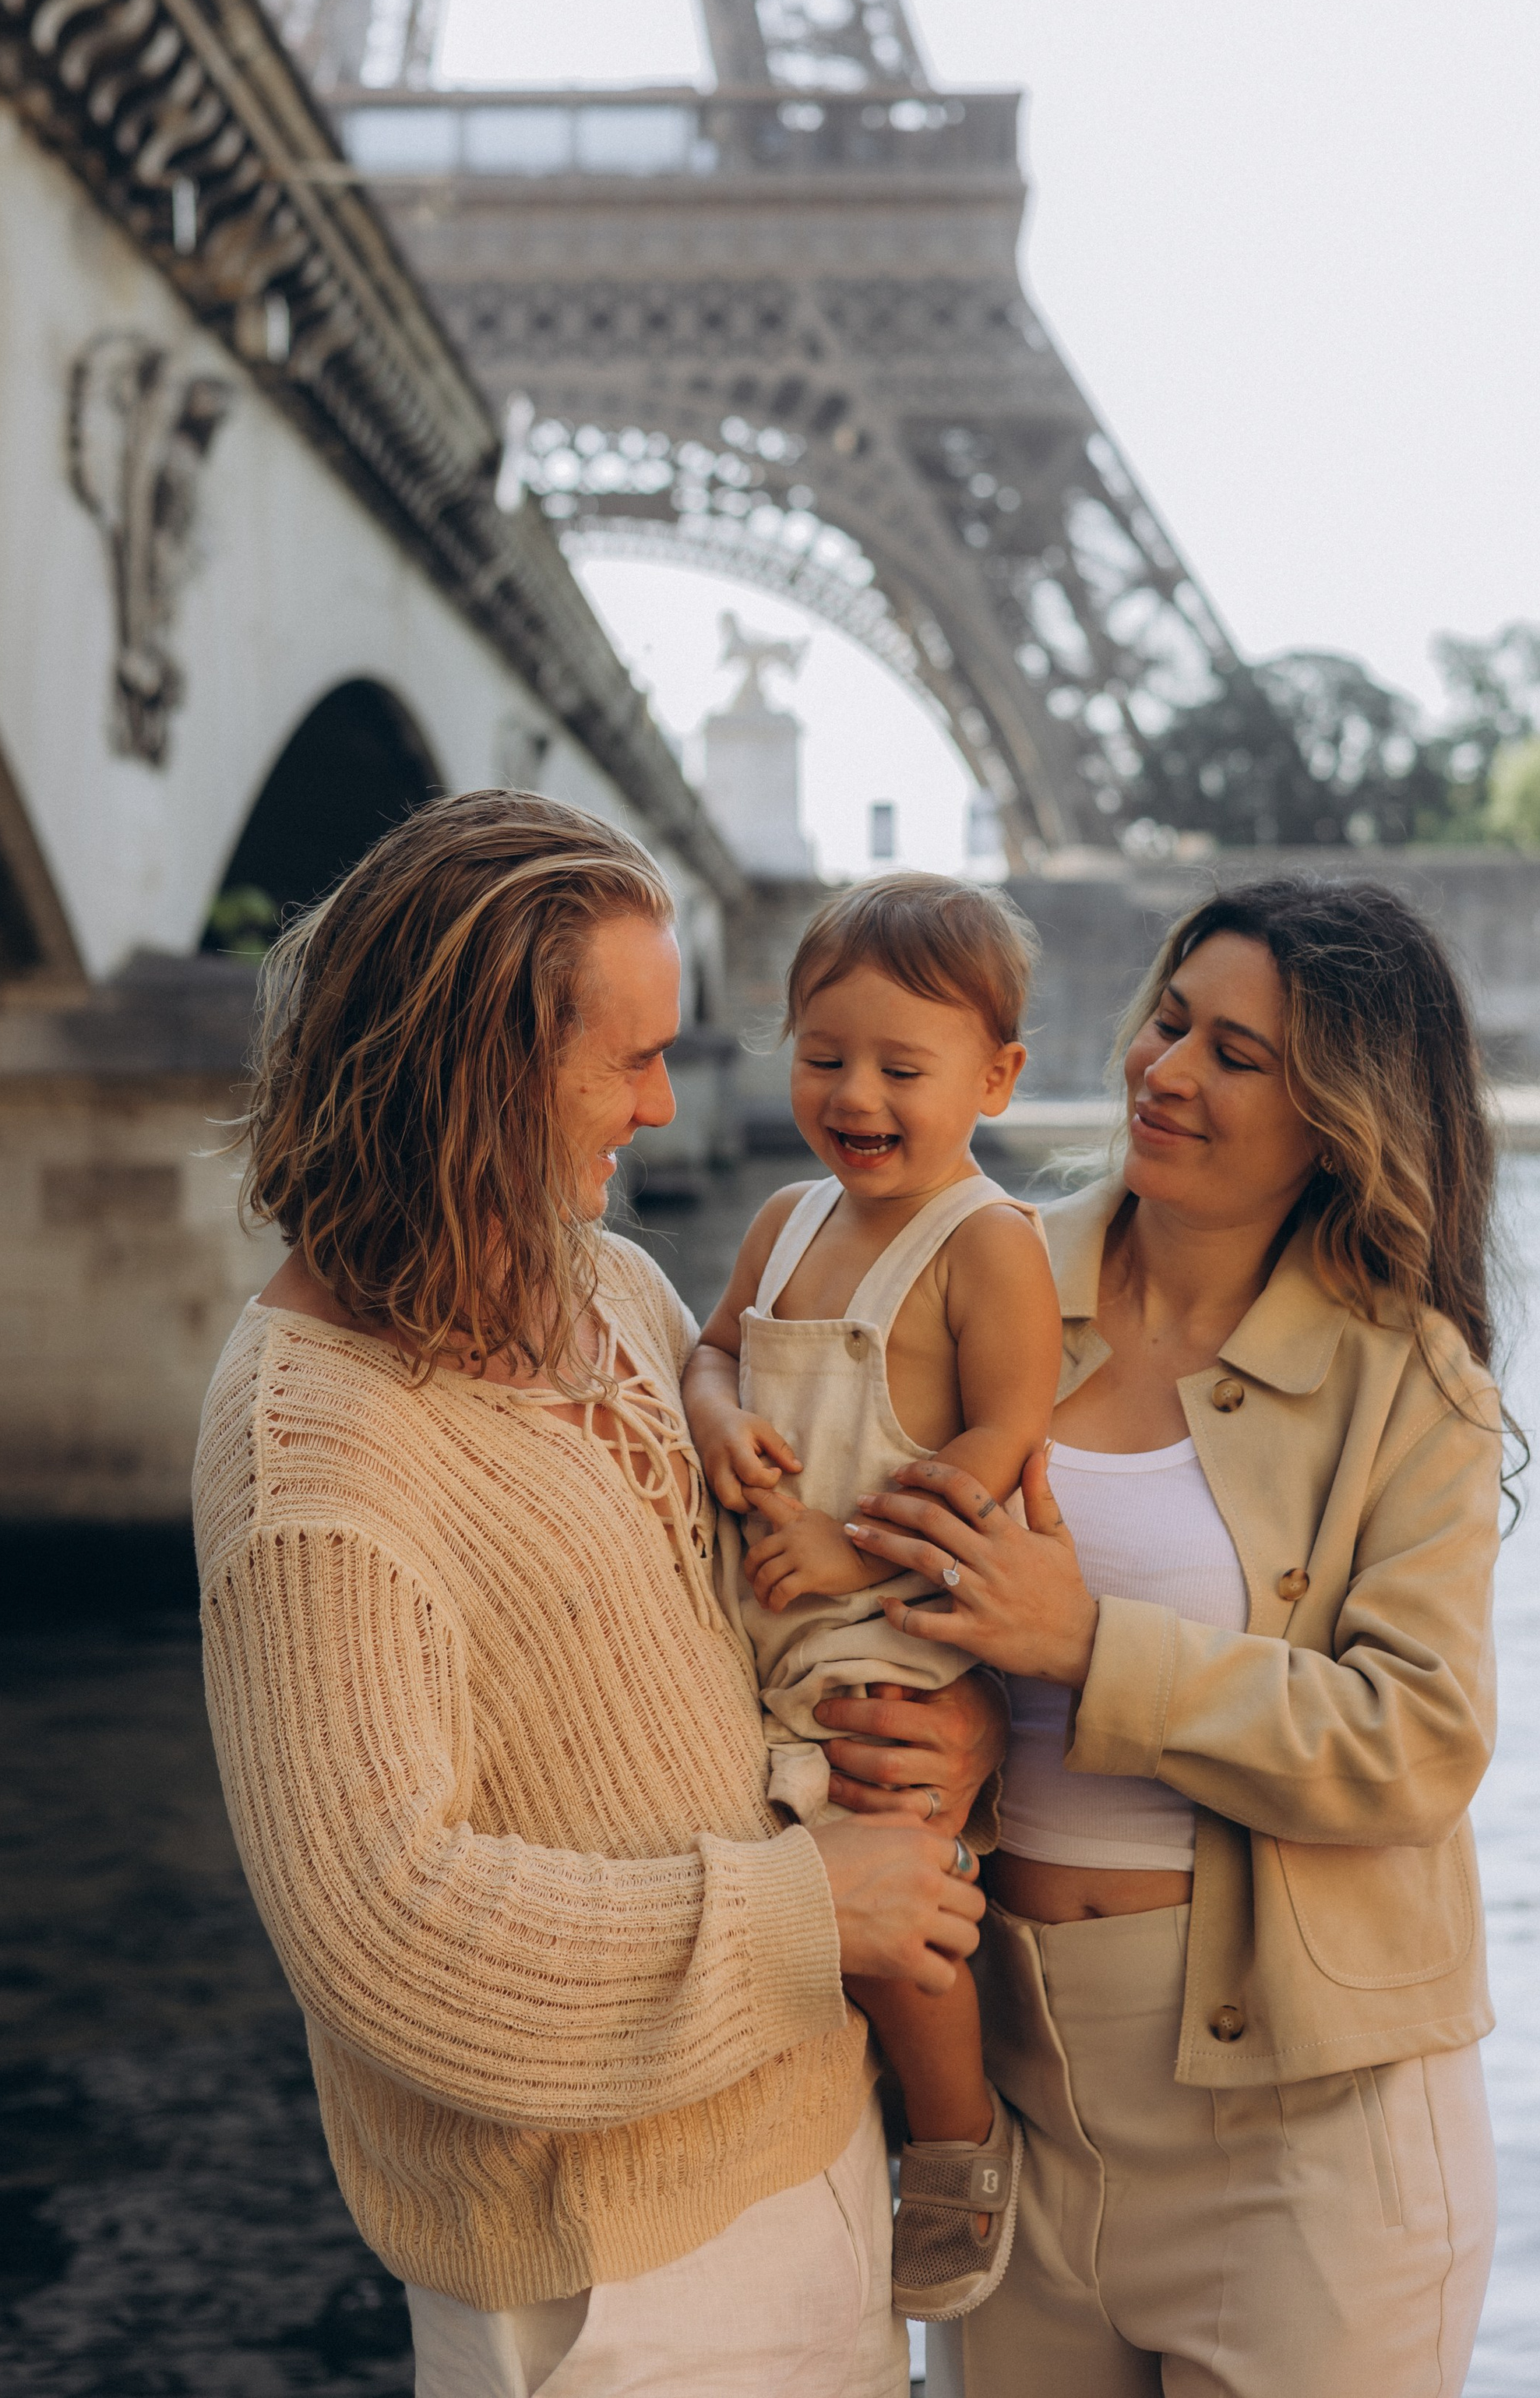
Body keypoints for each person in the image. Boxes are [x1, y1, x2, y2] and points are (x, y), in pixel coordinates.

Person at [191, 794, 1007, 2398]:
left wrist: (955, 1722)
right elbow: (379, 1928)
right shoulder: (312, 1451)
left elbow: (760, 1644)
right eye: (624, 1061)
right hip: (600, 2284)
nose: (658, 1106)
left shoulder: (619, 1293)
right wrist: (807, 1911)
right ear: (479, 1073)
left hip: (815, 2153)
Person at [844, 877, 1522, 2398]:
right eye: (1166, 1021)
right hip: (1008, 2104)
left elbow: (1412, 1745)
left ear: (1337, 1118)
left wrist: (1088, 1650)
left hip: (1307, 2138)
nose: (1163, 1070)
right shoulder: (967, 1281)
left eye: (1237, 1055)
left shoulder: (1407, 1387)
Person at [685, 876, 1063, 2322]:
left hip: (887, 1625)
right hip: (760, 1625)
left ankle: (960, 2144)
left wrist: (857, 1548)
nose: (857, 1095)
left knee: (897, 1919)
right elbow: (716, 1352)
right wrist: (716, 1415)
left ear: (996, 1077)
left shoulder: (985, 1244)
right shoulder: (784, 1220)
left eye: (903, 1070)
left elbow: (1003, 1440)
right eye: (822, 1056)